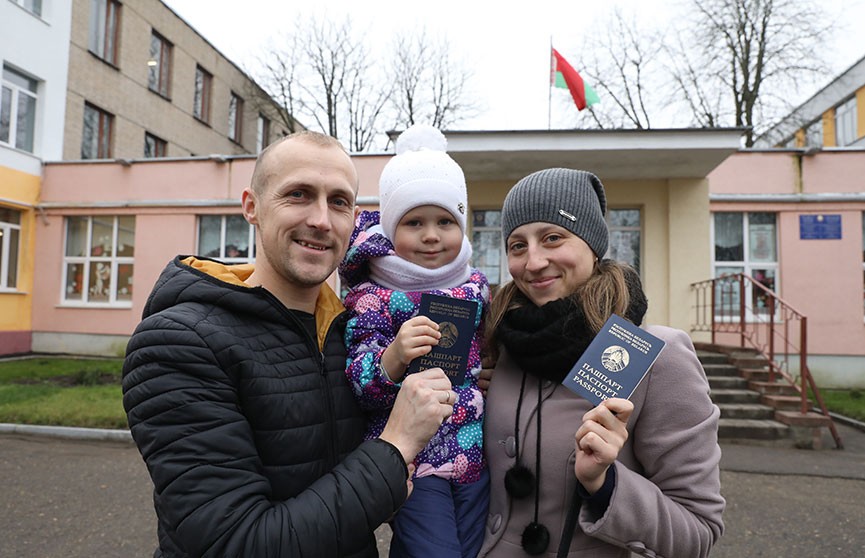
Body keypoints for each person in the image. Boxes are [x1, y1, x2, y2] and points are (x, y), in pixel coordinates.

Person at [122, 131, 457, 558]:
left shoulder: (352, 335)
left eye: (338, 202)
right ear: (252, 207)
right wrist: (395, 448)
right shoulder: (177, 344)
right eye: (298, 194)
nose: (321, 219)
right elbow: (234, 543)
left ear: (354, 219)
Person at [478, 168, 725, 558]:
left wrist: (605, 484)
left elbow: (697, 532)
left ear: (593, 245)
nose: (534, 261)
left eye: (553, 238)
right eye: (517, 245)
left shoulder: (658, 356)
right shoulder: (499, 346)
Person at [339, 124, 490, 558]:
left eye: (445, 221)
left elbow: (489, 350)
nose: (431, 235)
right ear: (391, 228)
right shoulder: (374, 296)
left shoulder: (476, 288)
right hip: (413, 462)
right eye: (414, 222)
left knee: (473, 549)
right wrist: (394, 356)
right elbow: (360, 384)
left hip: (472, 455)